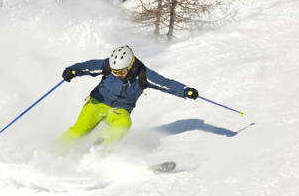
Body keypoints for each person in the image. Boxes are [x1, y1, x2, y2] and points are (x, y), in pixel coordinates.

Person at [59, 45, 198, 146]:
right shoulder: (108, 66)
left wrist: (184, 90)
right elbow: (89, 66)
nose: (118, 75)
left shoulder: (143, 75)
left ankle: (100, 152)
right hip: (97, 102)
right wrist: (73, 70)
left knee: (124, 124)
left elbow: (165, 84)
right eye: (114, 72)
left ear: (131, 65)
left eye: (121, 72)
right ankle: (54, 150)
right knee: (79, 131)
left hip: (120, 110)